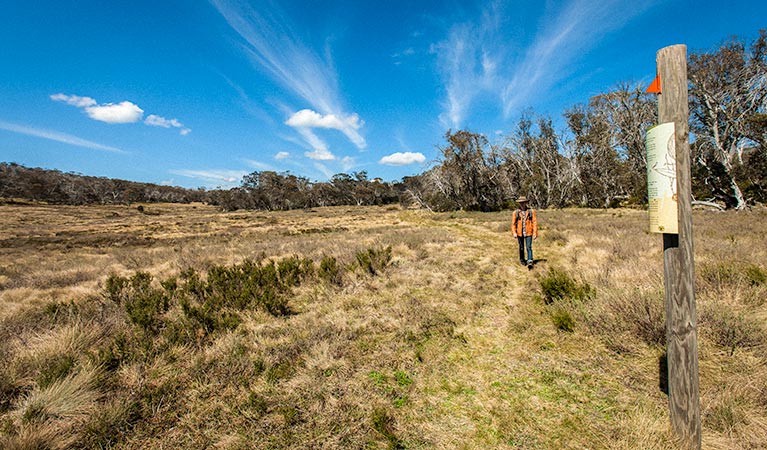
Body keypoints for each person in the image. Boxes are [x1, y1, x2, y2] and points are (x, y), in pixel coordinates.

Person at [511, 196, 538, 269]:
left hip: (529, 232)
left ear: (526, 202)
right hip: (519, 233)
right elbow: (513, 224)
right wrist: (514, 232)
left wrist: (535, 233)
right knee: (521, 247)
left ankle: (530, 261)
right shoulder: (515, 212)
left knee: (529, 247)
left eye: (523, 202)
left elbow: (534, 222)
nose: (522, 204)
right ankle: (522, 259)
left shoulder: (531, 211)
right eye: (521, 203)